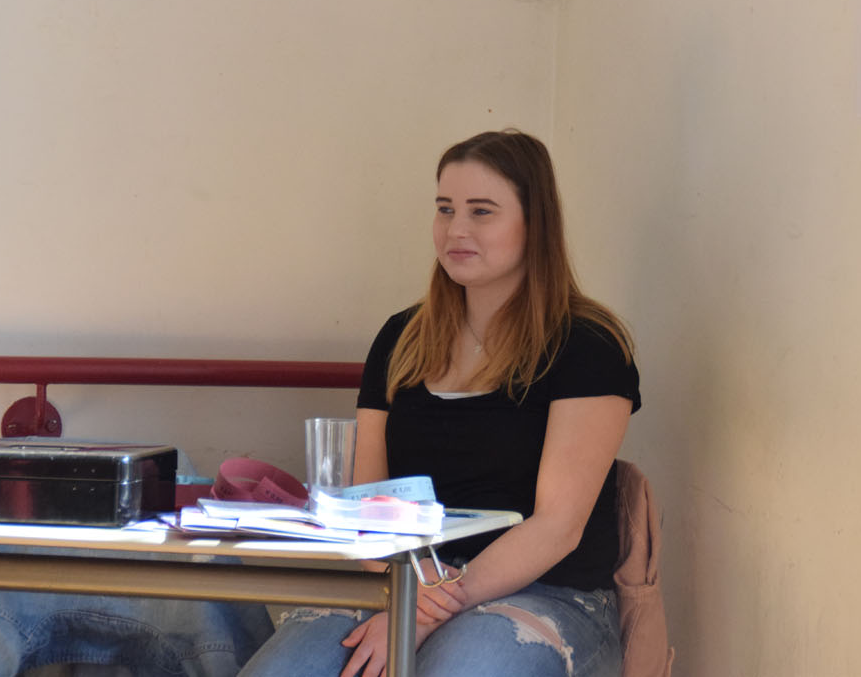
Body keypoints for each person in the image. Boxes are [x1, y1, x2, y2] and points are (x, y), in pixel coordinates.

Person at [239, 129, 641, 677]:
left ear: (535, 223)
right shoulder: (401, 336)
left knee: (460, 667)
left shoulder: (587, 344)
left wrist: (428, 611)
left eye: (482, 212)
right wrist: (410, 597)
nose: (456, 230)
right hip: (403, 583)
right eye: (445, 209)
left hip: (547, 592)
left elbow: (556, 527)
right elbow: (369, 507)